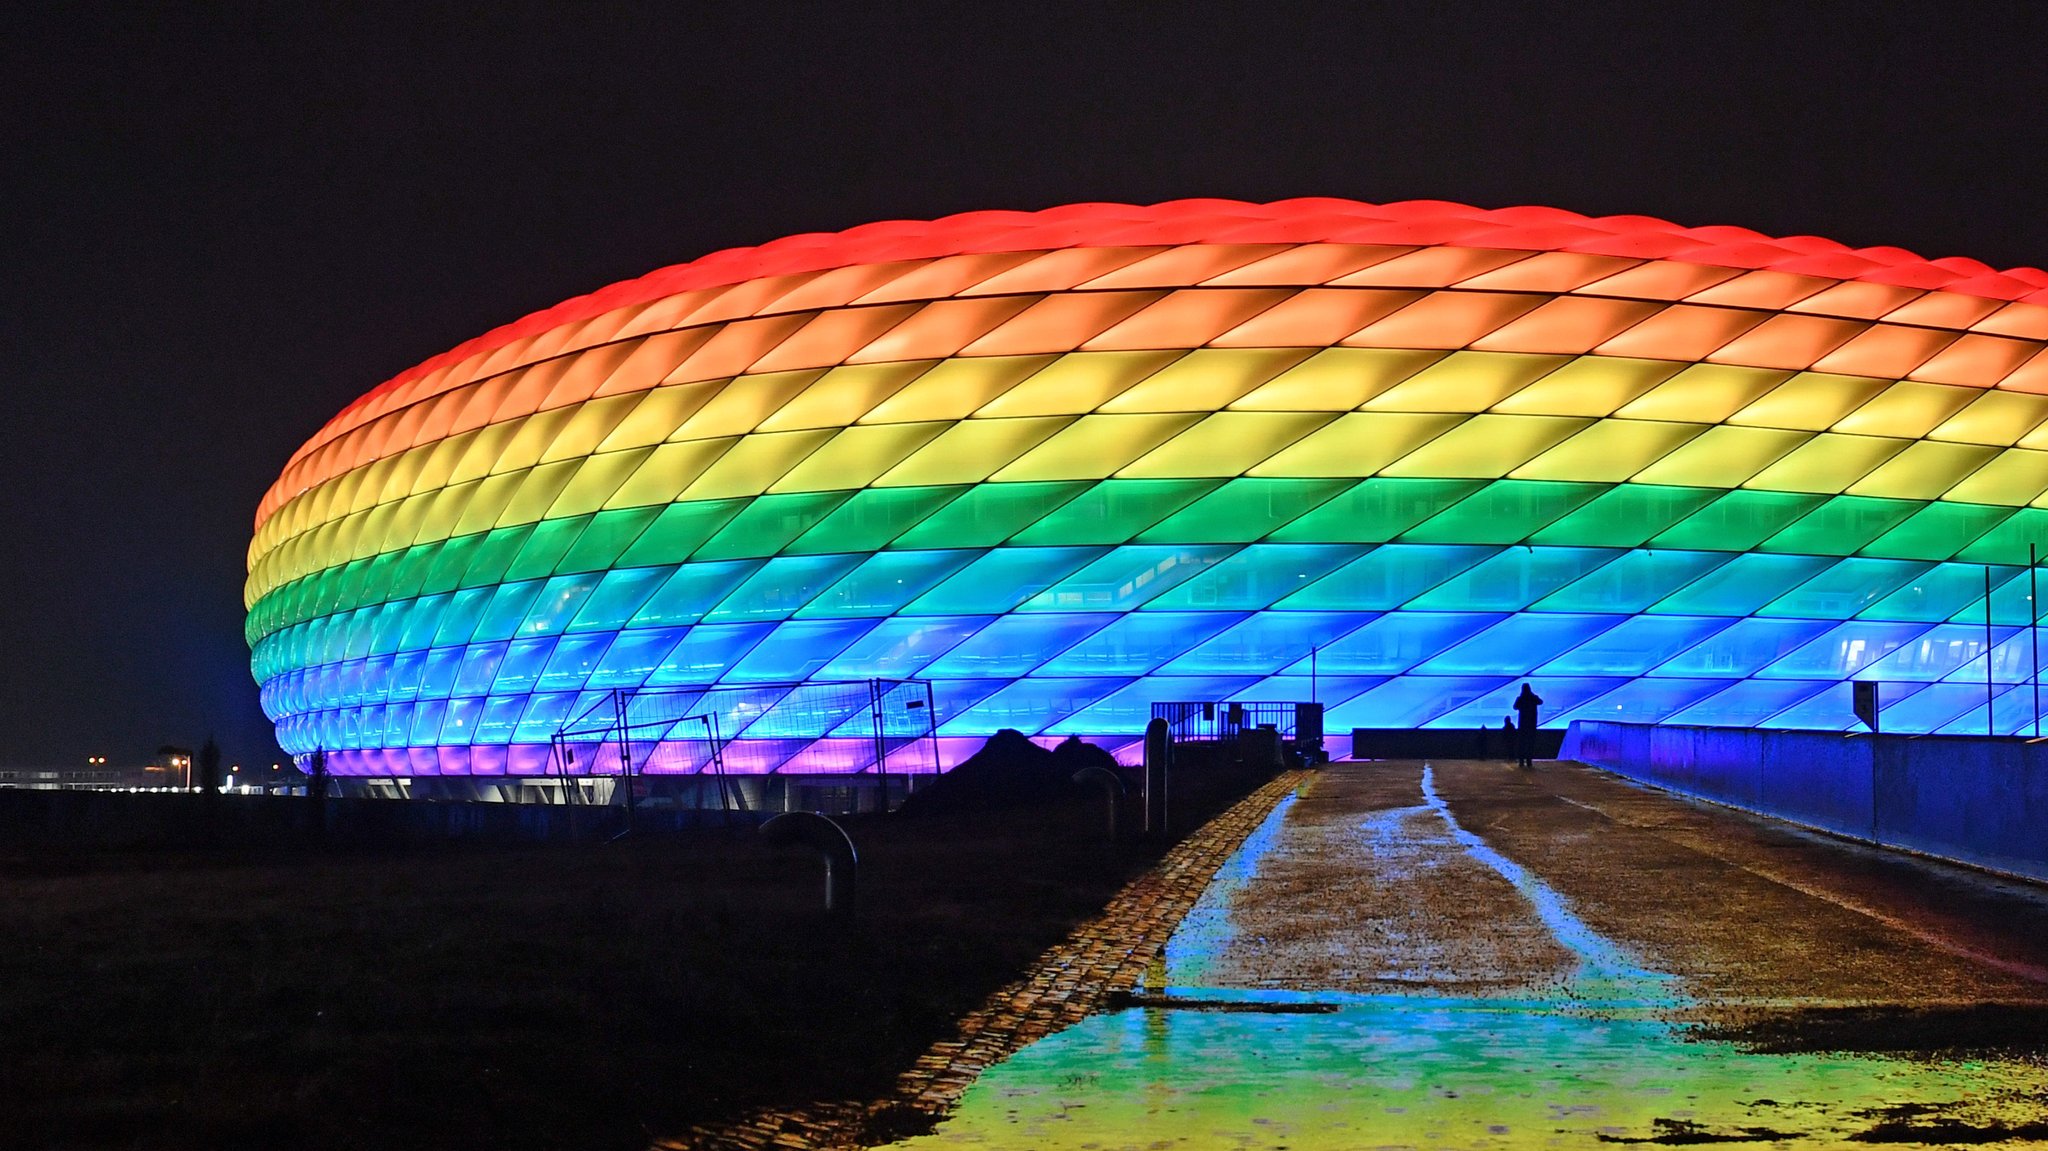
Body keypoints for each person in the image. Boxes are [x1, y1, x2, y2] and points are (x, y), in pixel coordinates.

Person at [1513, 683, 1543, 769]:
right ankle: (1529, 761)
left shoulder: (1520, 698)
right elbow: (1540, 702)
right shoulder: (1533, 697)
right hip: (1532, 723)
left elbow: (1515, 707)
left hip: (1522, 724)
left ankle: (1521, 761)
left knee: (1521, 743)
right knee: (1530, 743)